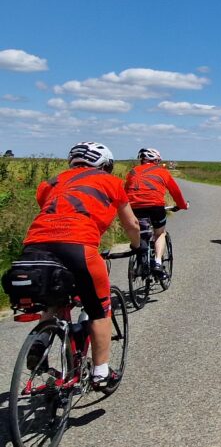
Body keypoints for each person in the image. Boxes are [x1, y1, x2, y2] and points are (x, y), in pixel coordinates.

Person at [21, 142, 142, 389]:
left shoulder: (51, 182)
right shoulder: (111, 181)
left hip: (34, 247)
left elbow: (52, 212)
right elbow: (132, 225)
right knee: (100, 310)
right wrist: (137, 246)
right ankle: (100, 372)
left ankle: (40, 341)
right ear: (105, 165)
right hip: (80, 247)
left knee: (54, 298)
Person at [125, 148, 188, 277]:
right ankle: (158, 263)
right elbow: (175, 191)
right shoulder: (162, 172)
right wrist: (182, 205)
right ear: (157, 160)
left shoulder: (131, 172)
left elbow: (126, 192)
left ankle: (140, 261)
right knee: (160, 233)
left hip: (133, 207)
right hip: (155, 207)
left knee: (140, 232)